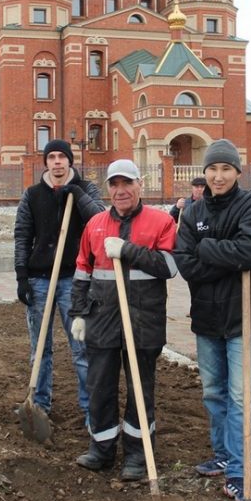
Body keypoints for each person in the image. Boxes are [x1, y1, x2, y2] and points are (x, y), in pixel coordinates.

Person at [174, 139, 251, 501]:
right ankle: (222, 453)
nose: (218, 176)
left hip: (244, 317)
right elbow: (185, 261)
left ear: (237, 171)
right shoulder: (193, 212)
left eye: (226, 169)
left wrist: (207, 249)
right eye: (212, 169)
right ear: (205, 172)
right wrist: (222, 257)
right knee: (213, 392)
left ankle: (238, 469)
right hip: (206, 316)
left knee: (240, 396)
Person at [70, 160, 176, 480]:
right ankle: (101, 449)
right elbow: (82, 271)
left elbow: (169, 267)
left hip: (144, 320)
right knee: (100, 386)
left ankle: (137, 455)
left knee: (140, 390)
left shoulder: (161, 222)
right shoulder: (95, 224)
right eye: (114, 185)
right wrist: (78, 314)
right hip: (102, 318)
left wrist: (127, 250)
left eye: (126, 184)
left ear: (139, 185)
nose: (120, 191)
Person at [14, 139, 104, 424]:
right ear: (46, 162)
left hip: (76, 281)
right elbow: (22, 236)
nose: (56, 162)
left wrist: (76, 194)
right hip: (40, 279)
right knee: (40, 347)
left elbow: (100, 220)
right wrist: (22, 276)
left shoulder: (86, 189)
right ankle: (39, 404)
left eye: (61, 157)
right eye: (51, 157)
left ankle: (92, 409)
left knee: (81, 348)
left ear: (70, 161)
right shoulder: (33, 195)